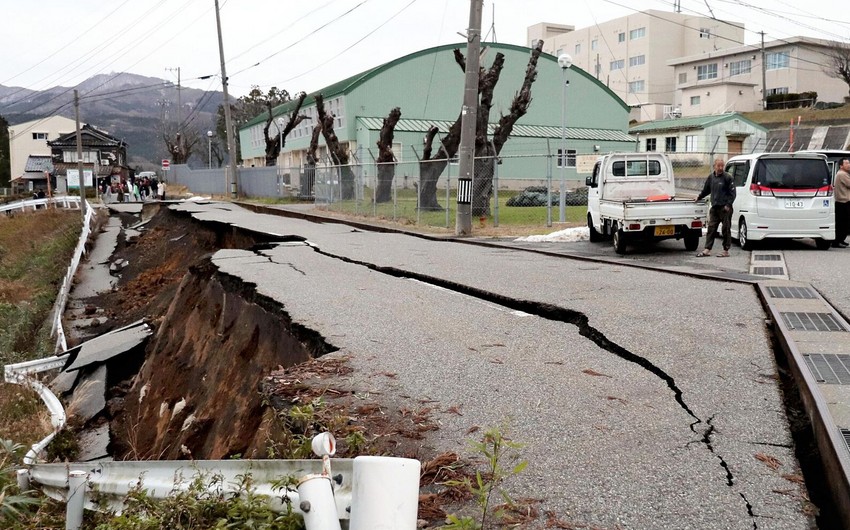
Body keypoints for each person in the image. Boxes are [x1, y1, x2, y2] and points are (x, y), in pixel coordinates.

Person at [695, 158, 736, 257]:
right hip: (715, 208)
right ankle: (707, 249)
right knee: (711, 228)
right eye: (719, 166)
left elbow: (732, 193)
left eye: (722, 166)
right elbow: (706, 190)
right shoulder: (711, 177)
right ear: (714, 166)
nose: (721, 168)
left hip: (725, 208)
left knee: (725, 229)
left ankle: (726, 250)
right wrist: (699, 196)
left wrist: (728, 205)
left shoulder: (728, 178)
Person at [833, 158, 850, 248]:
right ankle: (837, 241)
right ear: (841, 166)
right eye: (846, 163)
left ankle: (841, 240)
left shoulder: (843, 174)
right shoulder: (842, 174)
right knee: (842, 223)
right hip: (843, 202)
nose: (849, 165)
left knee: (844, 223)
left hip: (843, 202)